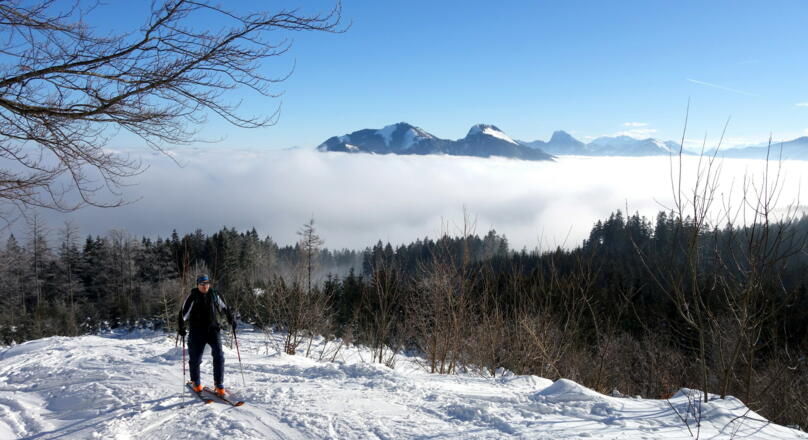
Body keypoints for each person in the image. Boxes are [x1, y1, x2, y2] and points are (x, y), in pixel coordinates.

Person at [178, 274, 236, 396]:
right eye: (202, 284)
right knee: (195, 359)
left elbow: (225, 308)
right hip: (197, 332)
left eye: (207, 283)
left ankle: (219, 385)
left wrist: (231, 319)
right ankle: (196, 383)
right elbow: (183, 313)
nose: (205, 286)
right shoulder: (193, 296)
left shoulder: (214, 294)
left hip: (213, 330)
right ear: (198, 285)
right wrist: (181, 327)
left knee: (219, 356)